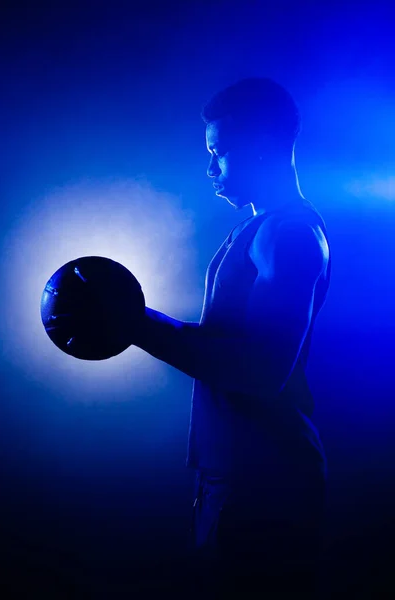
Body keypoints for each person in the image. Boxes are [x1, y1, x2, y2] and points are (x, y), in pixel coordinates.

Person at [133, 78, 331, 598]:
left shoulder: (289, 234)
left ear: (261, 145)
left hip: (266, 486)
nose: (210, 169)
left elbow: (263, 371)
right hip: (232, 481)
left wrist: (135, 324)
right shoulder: (257, 228)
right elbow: (230, 347)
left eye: (218, 153)